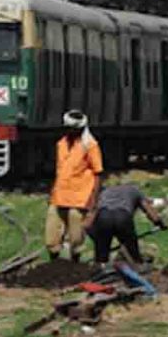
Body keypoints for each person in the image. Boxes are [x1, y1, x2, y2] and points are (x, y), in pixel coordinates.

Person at [47, 110, 103, 262]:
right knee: (52, 234)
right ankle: (54, 262)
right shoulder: (61, 144)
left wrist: (93, 202)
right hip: (59, 196)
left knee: (76, 237)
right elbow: (60, 170)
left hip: (79, 198)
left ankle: (75, 263)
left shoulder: (89, 145)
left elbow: (98, 173)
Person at [84, 184, 167, 267]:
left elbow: (91, 217)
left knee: (101, 258)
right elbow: (150, 212)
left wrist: (97, 238)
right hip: (123, 217)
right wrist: (160, 223)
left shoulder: (105, 191)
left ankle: (99, 272)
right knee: (133, 252)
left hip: (103, 217)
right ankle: (137, 267)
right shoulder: (135, 190)